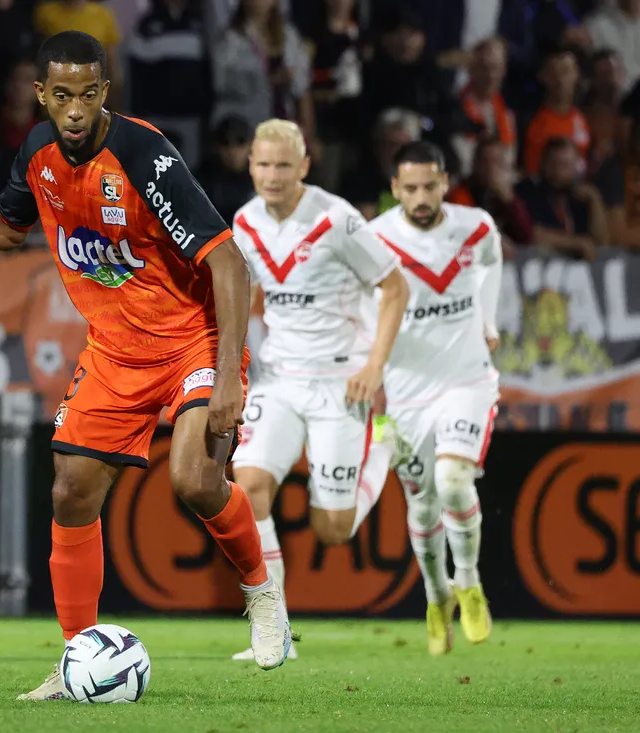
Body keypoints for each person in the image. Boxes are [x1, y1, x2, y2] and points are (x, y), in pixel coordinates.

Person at [0, 30, 291, 698]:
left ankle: (262, 590)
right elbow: (6, 227)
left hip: (191, 340)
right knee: (71, 491)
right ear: (40, 94)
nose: (75, 110)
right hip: (114, 351)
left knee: (195, 478)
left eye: (87, 94)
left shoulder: (144, 156)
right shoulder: (38, 153)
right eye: (62, 96)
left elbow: (228, 262)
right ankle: (76, 656)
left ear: (104, 91)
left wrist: (227, 374)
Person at [226, 118, 409, 662]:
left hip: (340, 382)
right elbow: (242, 297)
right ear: (250, 166)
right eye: (263, 164)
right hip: (280, 379)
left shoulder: (337, 219)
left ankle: (385, 446)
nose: (272, 176)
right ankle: (275, 631)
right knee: (248, 487)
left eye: (284, 165)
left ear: (305, 166)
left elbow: (395, 288)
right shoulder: (245, 221)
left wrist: (374, 366)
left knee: (332, 529)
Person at [364, 141, 502, 656]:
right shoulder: (375, 240)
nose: (421, 198)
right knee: (422, 506)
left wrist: (488, 317)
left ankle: (468, 581)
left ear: (445, 182)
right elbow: (362, 312)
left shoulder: (476, 226)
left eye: (430, 186)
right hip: (405, 395)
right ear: (395, 189)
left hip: (467, 380)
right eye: (411, 188)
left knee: (453, 481)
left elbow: (491, 261)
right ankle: (436, 594)